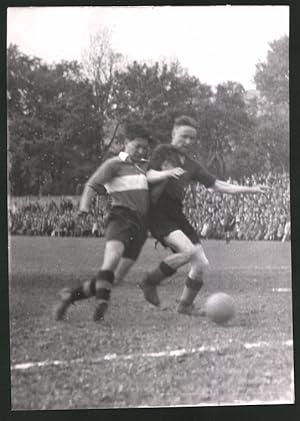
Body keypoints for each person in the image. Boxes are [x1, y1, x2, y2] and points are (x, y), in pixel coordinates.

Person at [139, 115, 270, 315]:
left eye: (192, 138)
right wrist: (165, 173)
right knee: (188, 252)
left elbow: (218, 185)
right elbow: (147, 175)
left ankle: (185, 305)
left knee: (200, 263)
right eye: (184, 136)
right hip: (158, 211)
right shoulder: (163, 151)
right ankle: (150, 282)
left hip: (176, 213)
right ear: (173, 133)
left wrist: (251, 189)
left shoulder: (192, 164)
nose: (188, 142)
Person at [54, 123, 151, 322]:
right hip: (121, 217)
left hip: (142, 224)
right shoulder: (114, 164)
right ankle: (102, 303)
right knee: (112, 259)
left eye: (144, 147)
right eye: (137, 146)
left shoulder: (147, 166)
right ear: (125, 143)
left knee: (116, 278)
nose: (141, 151)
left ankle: (70, 296)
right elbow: (92, 185)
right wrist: (84, 207)